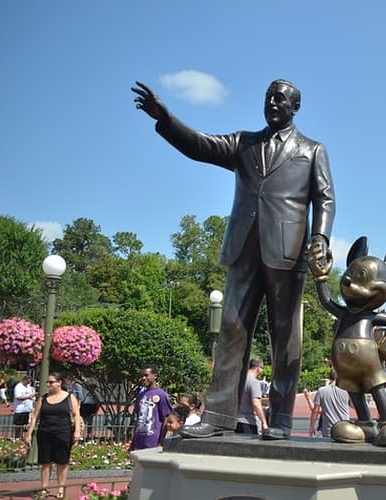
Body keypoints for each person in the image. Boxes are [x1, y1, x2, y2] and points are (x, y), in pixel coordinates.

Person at [133, 78, 335, 440]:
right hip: (243, 249)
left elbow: (325, 199)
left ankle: (281, 421)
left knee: (285, 338)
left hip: (287, 253)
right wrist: (165, 118)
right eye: (268, 97)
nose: (272, 102)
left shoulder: (312, 150)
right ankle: (218, 417)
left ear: (295, 108)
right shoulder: (244, 142)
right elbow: (200, 145)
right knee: (230, 332)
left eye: (280, 98)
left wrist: (318, 237)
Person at [24, 373, 81, 499]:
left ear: (59, 382)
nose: (48, 385)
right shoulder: (42, 399)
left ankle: (61, 488)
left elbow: (77, 414)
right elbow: (34, 417)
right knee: (45, 462)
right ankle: (44, 488)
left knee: (62, 461)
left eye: (51, 382)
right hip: (45, 433)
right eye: (47, 382)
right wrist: (29, 433)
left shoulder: (69, 397)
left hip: (63, 432)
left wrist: (77, 431)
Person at [130, 365, 172, 450]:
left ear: (155, 376)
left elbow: (166, 418)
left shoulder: (161, 395)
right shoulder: (140, 396)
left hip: (153, 442)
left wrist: (160, 441)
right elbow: (138, 419)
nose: (143, 378)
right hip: (139, 441)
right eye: (142, 376)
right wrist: (133, 442)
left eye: (146, 375)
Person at [309, 369, 350, 438]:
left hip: (329, 430)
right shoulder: (347, 390)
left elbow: (315, 411)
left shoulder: (321, 390)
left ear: (329, 377)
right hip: (344, 428)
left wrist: (312, 427)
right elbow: (354, 406)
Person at [236, 358, 269, 435]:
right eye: (262, 368)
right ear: (258, 368)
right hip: (248, 422)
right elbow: (256, 404)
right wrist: (264, 422)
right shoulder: (254, 382)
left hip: (236, 420)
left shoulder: (239, 380)